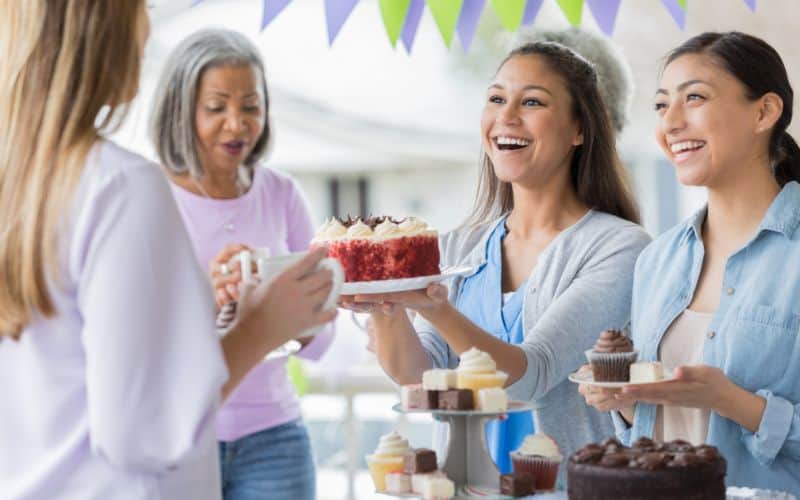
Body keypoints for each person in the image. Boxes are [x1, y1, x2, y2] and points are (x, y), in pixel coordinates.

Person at [0, 3, 336, 500]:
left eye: (250, 105)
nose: (148, 27)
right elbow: (142, 432)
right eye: (140, 10)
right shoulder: (121, 187)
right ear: (106, 35)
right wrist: (257, 326)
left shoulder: (24, 181)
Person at [343, 41, 650, 486]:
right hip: (467, 489)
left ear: (579, 128)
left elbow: (532, 375)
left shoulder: (619, 247)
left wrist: (432, 305)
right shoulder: (456, 248)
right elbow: (418, 376)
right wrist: (384, 302)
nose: (506, 117)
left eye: (531, 102)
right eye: (496, 99)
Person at [579, 32, 800, 494]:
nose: (671, 122)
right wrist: (624, 401)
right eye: (661, 106)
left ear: (764, 111)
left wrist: (732, 402)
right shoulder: (657, 261)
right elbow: (654, 427)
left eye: (694, 98)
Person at [150, 29, 331, 500]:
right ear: (181, 110)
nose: (237, 124)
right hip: (182, 436)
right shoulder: (148, 197)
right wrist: (208, 301)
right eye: (217, 107)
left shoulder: (281, 194)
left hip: (275, 436)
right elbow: (137, 339)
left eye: (250, 106)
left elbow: (319, 342)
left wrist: (292, 309)